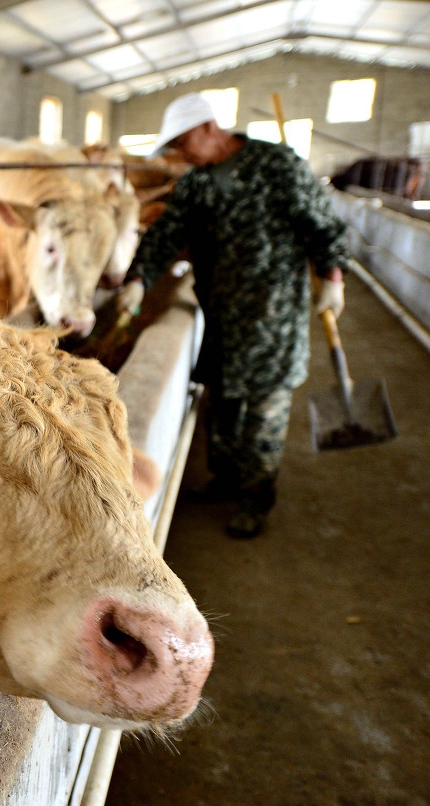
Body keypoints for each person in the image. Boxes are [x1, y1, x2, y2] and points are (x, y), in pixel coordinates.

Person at [119, 92, 350, 539]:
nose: (179, 154)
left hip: (272, 317)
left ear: (209, 129)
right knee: (222, 405)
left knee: (263, 412)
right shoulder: (196, 183)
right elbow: (166, 233)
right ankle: (225, 479)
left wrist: (333, 277)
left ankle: (256, 498)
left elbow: (322, 224)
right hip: (221, 315)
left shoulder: (277, 165)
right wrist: (138, 279)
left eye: (183, 142)